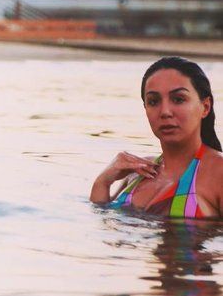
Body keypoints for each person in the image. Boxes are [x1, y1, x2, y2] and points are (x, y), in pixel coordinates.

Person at [90, 57, 223, 218]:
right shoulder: (137, 172)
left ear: (205, 107)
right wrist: (103, 181)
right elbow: (101, 227)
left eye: (178, 99)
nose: (165, 111)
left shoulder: (218, 174)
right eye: (153, 101)